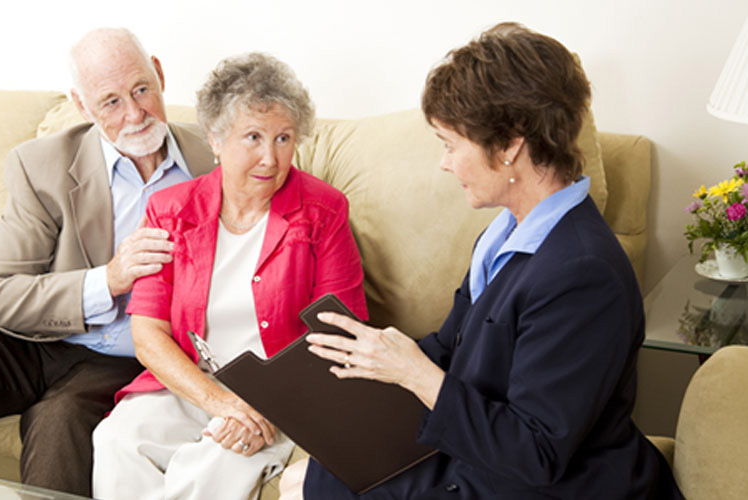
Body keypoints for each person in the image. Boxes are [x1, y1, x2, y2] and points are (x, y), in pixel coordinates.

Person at [279, 23, 684, 500]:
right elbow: (452, 347)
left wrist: (415, 374)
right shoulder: (505, 235)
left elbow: (536, 452)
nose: (445, 163)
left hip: (551, 483)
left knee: (311, 486)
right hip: (484, 453)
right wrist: (365, 366)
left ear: (511, 144)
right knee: (310, 476)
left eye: (451, 144)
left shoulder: (583, 273)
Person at [0, 28, 216, 496]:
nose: (135, 113)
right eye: (111, 102)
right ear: (82, 106)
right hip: (39, 341)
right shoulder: (42, 165)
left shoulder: (218, 160)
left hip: (132, 359)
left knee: (60, 421)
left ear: (159, 74)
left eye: (141, 89)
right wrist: (110, 279)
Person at [91, 52, 367, 500]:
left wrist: (264, 408)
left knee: (211, 466)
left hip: (278, 395)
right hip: (192, 386)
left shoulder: (323, 211)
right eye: (253, 137)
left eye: (283, 138)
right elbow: (147, 333)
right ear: (216, 140)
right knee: (117, 440)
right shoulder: (170, 210)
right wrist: (220, 402)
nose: (270, 157)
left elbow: (343, 333)